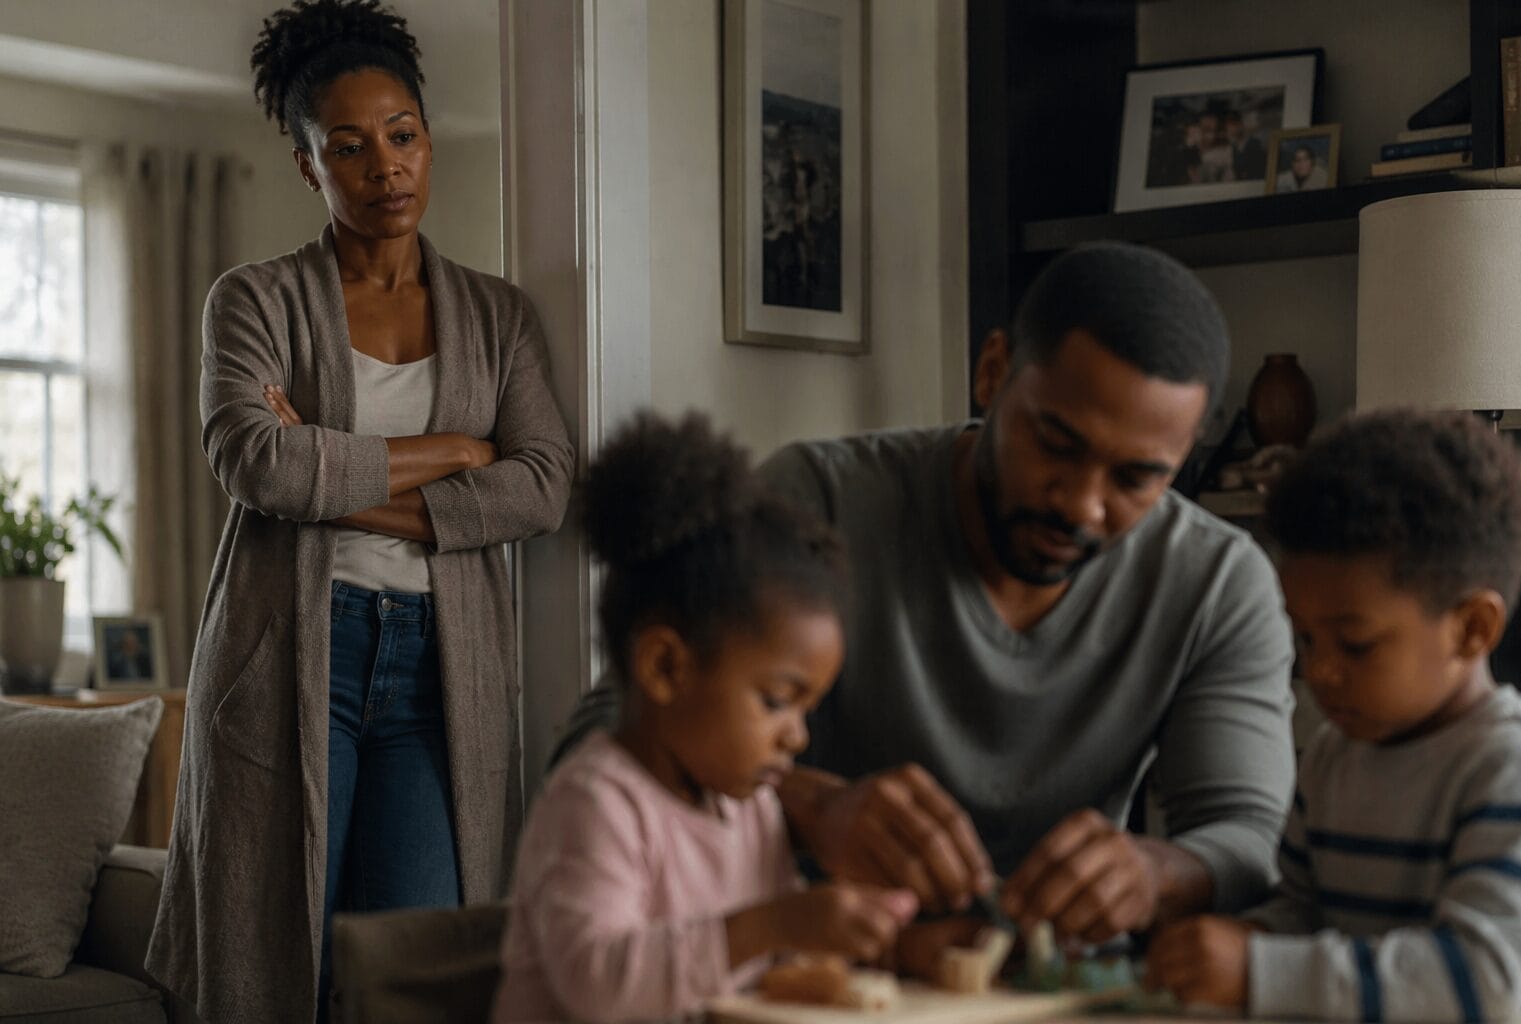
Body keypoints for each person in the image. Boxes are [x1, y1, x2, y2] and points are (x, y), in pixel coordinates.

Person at [560, 243, 1296, 957]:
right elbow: (600, 747)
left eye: (1136, 479)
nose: (1081, 505)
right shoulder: (819, 505)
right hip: (811, 978)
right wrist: (810, 808)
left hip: (1058, 988)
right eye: (1057, 444)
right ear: (992, 370)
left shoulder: (1218, 583)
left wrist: (1154, 873)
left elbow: (1247, 838)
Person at [145, 2, 575, 1020]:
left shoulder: (498, 315)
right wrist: (460, 457)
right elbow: (257, 464)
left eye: (403, 135)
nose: (385, 167)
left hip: (439, 678)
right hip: (289, 659)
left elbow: (544, 481)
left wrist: (339, 483)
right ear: (307, 165)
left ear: (427, 136)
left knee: (416, 974)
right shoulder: (253, 302)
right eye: (348, 146)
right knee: (274, 966)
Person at [491, 413, 916, 1023]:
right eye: (776, 701)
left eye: (807, 709)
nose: (797, 736)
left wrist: (851, 938)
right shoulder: (596, 804)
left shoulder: (749, 806)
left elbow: (770, 960)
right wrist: (773, 924)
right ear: (666, 668)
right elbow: (599, 983)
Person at [1146, 410, 1521, 1021]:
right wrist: (1239, 940)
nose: (1320, 673)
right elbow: (1302, 914)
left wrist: (1259, 971)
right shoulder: (1333, 755)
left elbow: (1484, 980)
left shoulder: (1511, 768)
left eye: (1356, 645)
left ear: (1471, 629)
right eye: (1306, 639)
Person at [1226, 111, 1267, 181]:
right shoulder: (1234, 147)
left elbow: (1259, 168)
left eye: (1233, 125)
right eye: (1228, 126)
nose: (1230, 129)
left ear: (1240, 124)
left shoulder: (1254, 144)